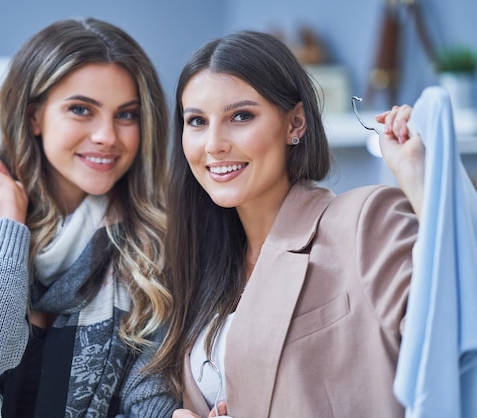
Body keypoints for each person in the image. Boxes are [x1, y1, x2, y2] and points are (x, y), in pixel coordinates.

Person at [150, 30, 424, 417]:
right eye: (196, 121)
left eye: (240, 116)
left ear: (295, 123)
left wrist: (420, 179)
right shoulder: (195, 268)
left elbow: (449, 331)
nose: (213, 144)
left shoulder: (364, 221)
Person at [0, 17, 179, 417]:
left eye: (127, 115)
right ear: (34, 116)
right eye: (81, 110)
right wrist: (8, 214)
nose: (108, 135)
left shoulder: (152, 240)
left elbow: (148, 389)